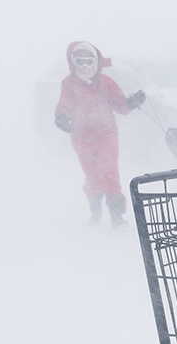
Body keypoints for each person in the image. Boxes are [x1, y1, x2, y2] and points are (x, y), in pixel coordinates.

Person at [53, 41, 145, 227]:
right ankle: (95, 212)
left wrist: (131, 103)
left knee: (110, 173)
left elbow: (121, 106)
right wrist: (62, 118)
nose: (85, 66)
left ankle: (117, 217)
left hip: (107, 134)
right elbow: (65, 104)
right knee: (92, 175)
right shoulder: (69, 84)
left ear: (96, 62)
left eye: (89, 61)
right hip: (81, 137)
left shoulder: (106, 82)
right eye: (80, 61)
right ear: (72, 62)